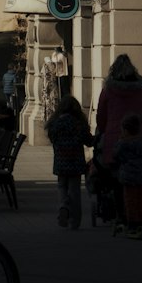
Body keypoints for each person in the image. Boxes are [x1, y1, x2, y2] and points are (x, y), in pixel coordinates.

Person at [95, 54, 142, 226]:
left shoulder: (109, 90)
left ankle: (121, 214)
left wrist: (102, 130)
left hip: (114, 138)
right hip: (137, 136)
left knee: (116, 179)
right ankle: (138, 212)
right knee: (138, 176)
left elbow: (101, 115)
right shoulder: (141, 89)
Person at [45, 94, 94, 230]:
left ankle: (63, 206)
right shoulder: (79, 124)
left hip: (61, 161)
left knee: (61, 186)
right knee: (74, 191)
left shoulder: (55, 124)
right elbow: (89, 142)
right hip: (76, 162)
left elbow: (52, 138)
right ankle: (74, 221)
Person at [111, 112, 142, 240]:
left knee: (131, 202)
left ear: (125, 129)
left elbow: (115, 155)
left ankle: (132, 225)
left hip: (130, 178)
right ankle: (141, 223)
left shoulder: (124, 143)